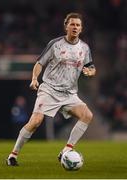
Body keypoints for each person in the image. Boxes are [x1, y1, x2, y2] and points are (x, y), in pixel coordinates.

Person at [6, 12, 96, 166]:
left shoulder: (85, 48)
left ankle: (66, 151)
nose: (75, 27)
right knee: (35, 121)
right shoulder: (55, 44)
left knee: (87, 115)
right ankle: (12, 155)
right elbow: (39, 63)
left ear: (81, 29)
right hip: (49, 90)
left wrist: (91, 71)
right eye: (72, 24)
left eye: (78, 25)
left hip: (69, 93)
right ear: (66, 26)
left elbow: (91, 67)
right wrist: (34, 79)